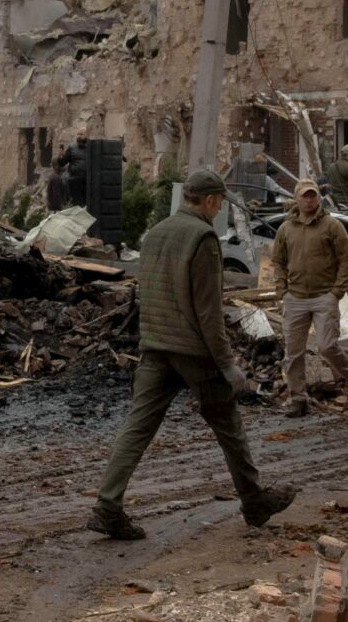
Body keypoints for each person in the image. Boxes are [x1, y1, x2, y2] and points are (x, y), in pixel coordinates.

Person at [89, 168, 296, 540]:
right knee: (228, 425)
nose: (218, 212)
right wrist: (228, 365)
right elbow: (208, 312)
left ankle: (107, 506)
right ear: (211, 200)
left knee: (137, 428)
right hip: (193, 352)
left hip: (155, 346)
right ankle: (254, 502)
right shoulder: (203, 238)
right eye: (219, 205)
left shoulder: (155, 233)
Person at [272, 178, 348, 417]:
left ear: (319, 198)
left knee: (327, 346)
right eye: (305, 196)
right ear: (296, 199)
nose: (309, 200)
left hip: (324, 297)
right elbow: (278, 261)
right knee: (293, 353)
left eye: (313, 195)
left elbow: (347, 259)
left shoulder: (331, 225)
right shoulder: (285, 229)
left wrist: (336, 292)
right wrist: (282, 291)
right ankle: (298, 399)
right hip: (295, 298)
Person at [56, 126, 90, 207]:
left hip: (88, 181)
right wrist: (60, 157)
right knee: (76, 204)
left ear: (87, 135)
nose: (79, 136)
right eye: (78, 134)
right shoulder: (71, 147)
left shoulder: (92, 147)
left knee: (87, 204)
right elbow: (62, 163)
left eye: (81, 134)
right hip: (74, 180)